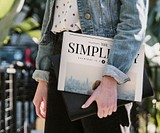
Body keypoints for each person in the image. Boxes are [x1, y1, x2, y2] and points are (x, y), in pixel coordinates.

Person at [32, 0, 149, 133]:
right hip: (60, 56)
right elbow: (50, 19)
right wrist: (43, 78)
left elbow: (133, 22)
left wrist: (112, 77)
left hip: (103, 61)